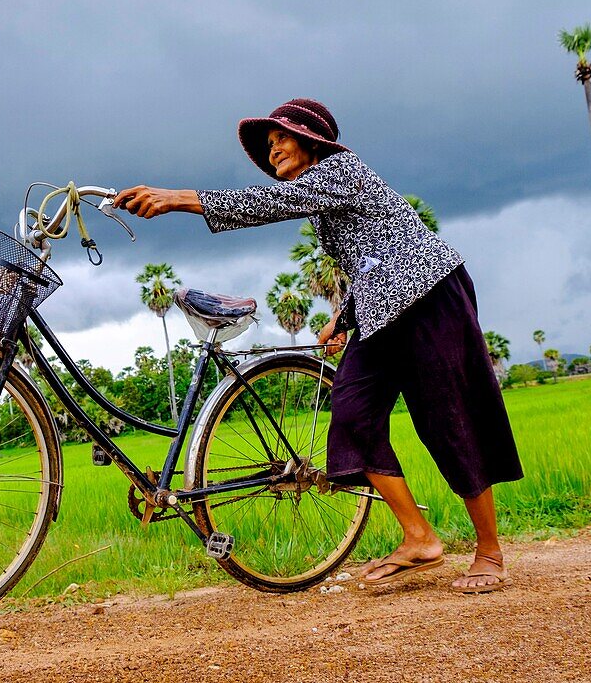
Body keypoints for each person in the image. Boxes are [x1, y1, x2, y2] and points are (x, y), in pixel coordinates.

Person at [112, 98, 523, 593]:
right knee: (352, 416)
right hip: (380, 312)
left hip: (431, 298)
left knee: (451, 419)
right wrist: (344, 317)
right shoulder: (323, 200)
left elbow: (275, 205)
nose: (274, 151)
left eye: (282, 138)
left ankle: (491, 552)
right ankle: (419, 537)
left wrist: (178, 197)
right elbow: (371, 255)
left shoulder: (340, 169)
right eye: (269, 146)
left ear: (311, 140)